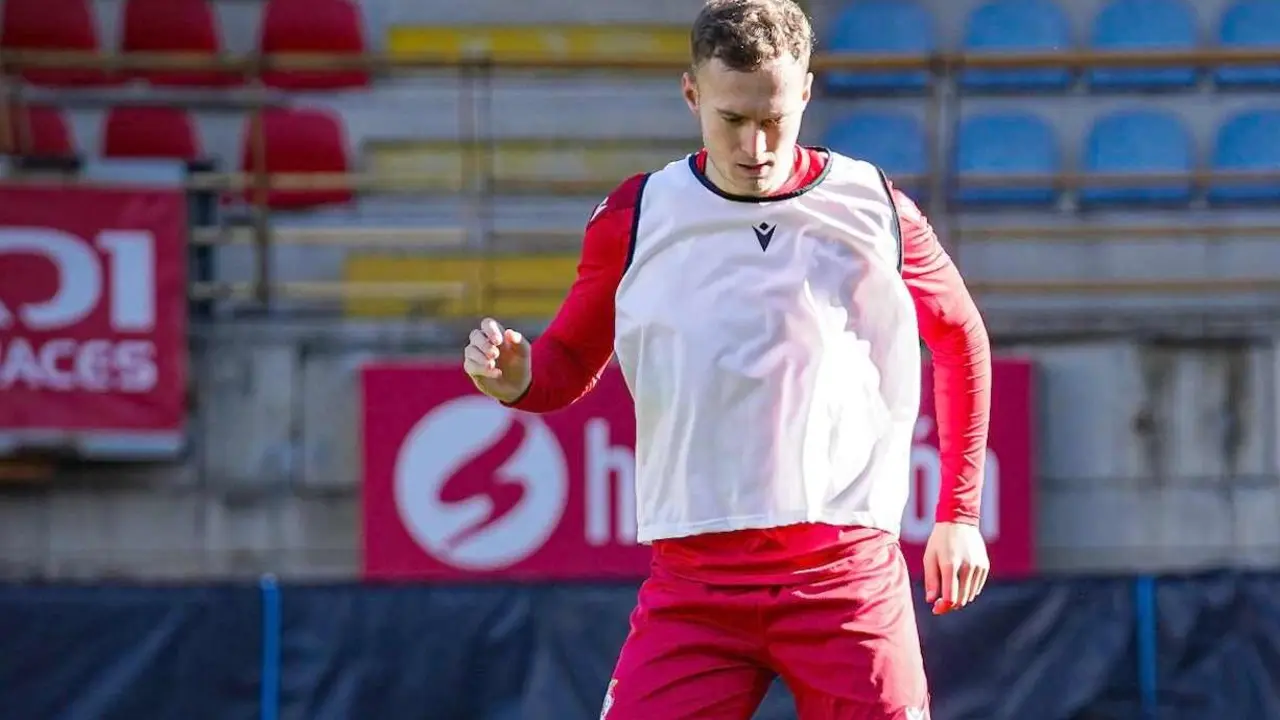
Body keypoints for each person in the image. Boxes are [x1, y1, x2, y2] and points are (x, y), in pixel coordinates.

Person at [462, 0, 992, 717]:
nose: (756, 146)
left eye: (774, 119)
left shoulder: (874, 208)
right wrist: (518, 377)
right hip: (695, 583)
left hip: (845, 573)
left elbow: (960, 337)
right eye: (732, 119)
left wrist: (959, 513)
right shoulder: (636, 216)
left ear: (806, 93)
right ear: (692, 94)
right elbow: (566, 362)